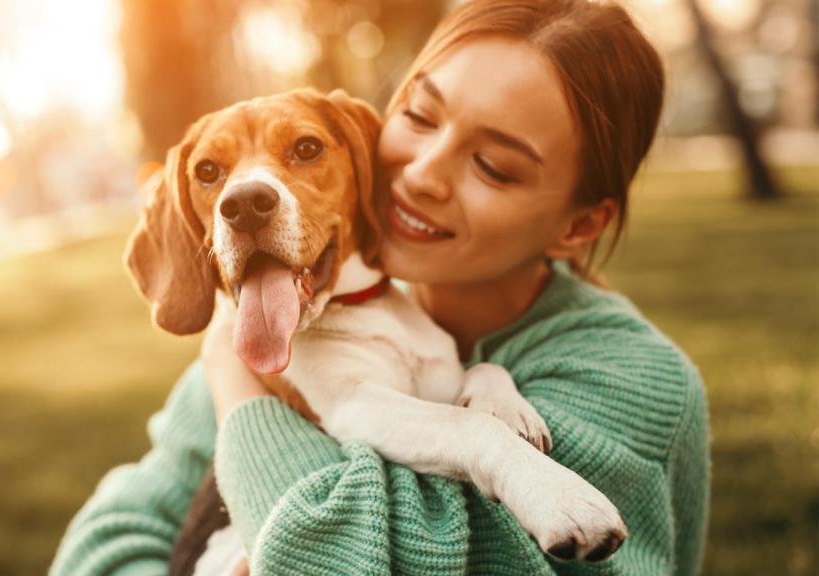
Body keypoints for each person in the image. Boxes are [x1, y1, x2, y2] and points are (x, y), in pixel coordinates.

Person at [50, 0, 710, 574]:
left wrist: (236, 389)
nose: (421, 173)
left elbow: (332, 562)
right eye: (420, 116)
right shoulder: (275, 321)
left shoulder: (628, 382)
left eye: (493, 164)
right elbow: (105, 541)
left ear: (580, 224)